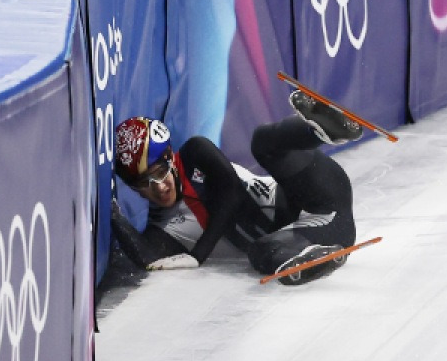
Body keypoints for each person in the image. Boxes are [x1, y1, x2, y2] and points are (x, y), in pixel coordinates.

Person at [110, 90, 364, 285]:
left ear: (171, 158)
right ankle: (310, 259)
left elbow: (231, 193)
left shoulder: (195, 152)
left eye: (161, 173)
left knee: (262, 144)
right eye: (145, 183)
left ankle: (319, 131)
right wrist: (113, 216)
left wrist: (199, 255)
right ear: (134, 189)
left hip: (311, 189)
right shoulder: (165, 231)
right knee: (261, 251)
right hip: (323, 228)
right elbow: (148, 257)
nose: (160, 187)